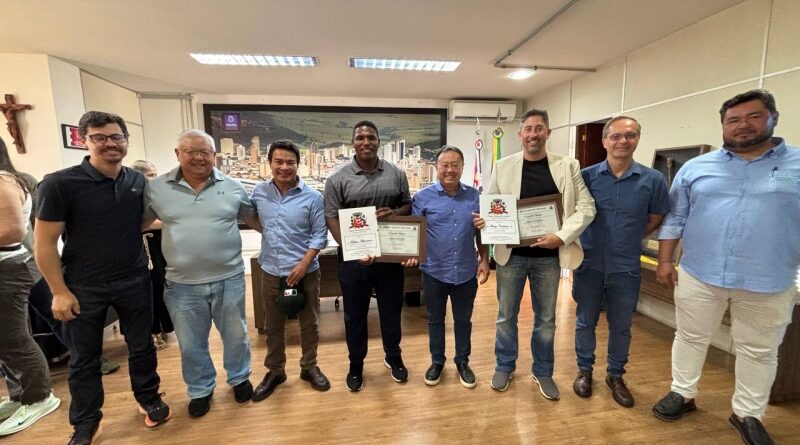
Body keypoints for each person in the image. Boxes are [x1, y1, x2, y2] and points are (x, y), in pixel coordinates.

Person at [652, 89, 800, 445]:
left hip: (769, 277)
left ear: (773, 118)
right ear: (723, 126)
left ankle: (748, 413)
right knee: (690, 336)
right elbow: (676, 218)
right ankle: (682, 393)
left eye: (753, 116)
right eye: (733, 120)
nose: (742, 125)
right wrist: (665, 260)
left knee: (759, 350)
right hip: (701, 272)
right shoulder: (696, 167)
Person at [35, 111, 171, 445]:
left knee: (141, 345)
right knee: (84, 357)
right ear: (85, 141)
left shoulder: (136, 181)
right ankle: (86, 421)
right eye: (100, 137)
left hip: (134, 278)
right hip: (84, 284)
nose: (110, 143)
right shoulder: (59, 184)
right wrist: (58, 291)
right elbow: (44, 243)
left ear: (126, 140)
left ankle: (148, 398)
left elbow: (139, 222)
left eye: (116, 137)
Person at [479, 108, 595, 400]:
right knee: (506, 316)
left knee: (546, 320)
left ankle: (543, 371)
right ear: (520, 134)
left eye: (539, 128)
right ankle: (504, 366)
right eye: (528, 129)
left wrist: (562, 236)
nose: (533, 134)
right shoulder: (503, 166)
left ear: (548, 132)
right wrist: (485, 220)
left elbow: (586, 207)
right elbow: (492, 204)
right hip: (512, 256)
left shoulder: (568, 166)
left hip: (549, 259)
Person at [143, 129, 259, 418]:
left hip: (230, 278)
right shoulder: (156, 188)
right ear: (177, 154)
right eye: (190, 151)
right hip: (181, 284)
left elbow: (254, 219)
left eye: (204, 152)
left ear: (214, 155)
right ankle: (200, 389)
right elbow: (139, 223)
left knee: (236, 336)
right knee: (191, 344)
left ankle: (240, 378)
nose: (198, 157)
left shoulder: (233, 187)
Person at [571, 117, 669, 407]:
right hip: (588, 263)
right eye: (615, 136)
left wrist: (629, 236)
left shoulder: (653, 180)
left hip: (626, 266)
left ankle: (615, 375)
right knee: (585, 321)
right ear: (604, 141)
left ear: (637, 139)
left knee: (622, 325)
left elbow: (656, 218)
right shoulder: (585, 177)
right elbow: (571, 214)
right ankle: (584, 370)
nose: (622, 141)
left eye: (630, 135)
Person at [324, 120, 413, 392]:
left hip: (389, 258)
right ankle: (356, 364)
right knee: (354, 315)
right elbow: (331, 217)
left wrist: (395, 213)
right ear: (353, 142)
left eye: (371, 137)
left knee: (391, 310)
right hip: (354, 262)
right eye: (360, 137)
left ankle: (393, 356)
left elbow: (407, 205)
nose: (366, 142)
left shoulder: (396, 174)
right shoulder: (337, 179)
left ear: (378, 142)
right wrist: (351, 249)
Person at [249, 140, 330, 401]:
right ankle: (275, 371)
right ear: (269, 163)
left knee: (310, 323)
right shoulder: (259, 193)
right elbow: (250, 217)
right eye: (279, 162)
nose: (284, 167)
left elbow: (319, 235)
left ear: (298, 165)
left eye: (290, 162)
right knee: (273, 325)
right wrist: (268, 232)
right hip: (271, 270)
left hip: (306, 272)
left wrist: (303, 264)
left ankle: (309, 367)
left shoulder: (313, 197)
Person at [404, 145, 490, 388]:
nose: (450, 170)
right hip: (434, 271)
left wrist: (485, 260)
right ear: (436, 167)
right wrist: (411, 253)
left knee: (463, 321)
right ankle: (437, 362)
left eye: (455, 165)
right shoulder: (422, 198)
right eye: (445, 165)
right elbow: (415, 232)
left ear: (462, 168)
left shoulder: (475, 197)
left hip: (465, 271)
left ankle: (462, 362)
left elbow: (481, 233)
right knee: (435, 320)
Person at [0, 136, 61, 437]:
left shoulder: (3, 181)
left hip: (9, 267)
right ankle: (19, 394)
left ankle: (39, 397)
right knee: (4, 339)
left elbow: (12, 231)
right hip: (10, 267)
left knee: (13, 339)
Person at [131, 160, 174, 350]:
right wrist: (170, 221)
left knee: (161, 286)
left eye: (155, 174)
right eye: (150, 175)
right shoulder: (131, 195)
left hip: (159, 246)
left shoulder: (156, 194)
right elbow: (138, 223)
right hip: (143, 248)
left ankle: (163, 327)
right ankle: (152, 331)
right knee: (149, 289)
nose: (154, 179)